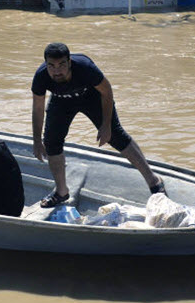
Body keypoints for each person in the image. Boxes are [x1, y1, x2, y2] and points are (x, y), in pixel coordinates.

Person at [32, 43, 165, 208]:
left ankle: (153, 180)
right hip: (61, 101)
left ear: (70, 62)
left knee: (116, 136)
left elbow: (107, 91)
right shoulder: (41, 76)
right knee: (51, 142)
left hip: (92, 97)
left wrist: (106, 126)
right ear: (46, 64)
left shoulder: (85, 67)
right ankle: (61, 191)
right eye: (51, 66)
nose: (57, 71)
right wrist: (37, 140)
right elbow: (38, 108)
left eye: (62, 65)